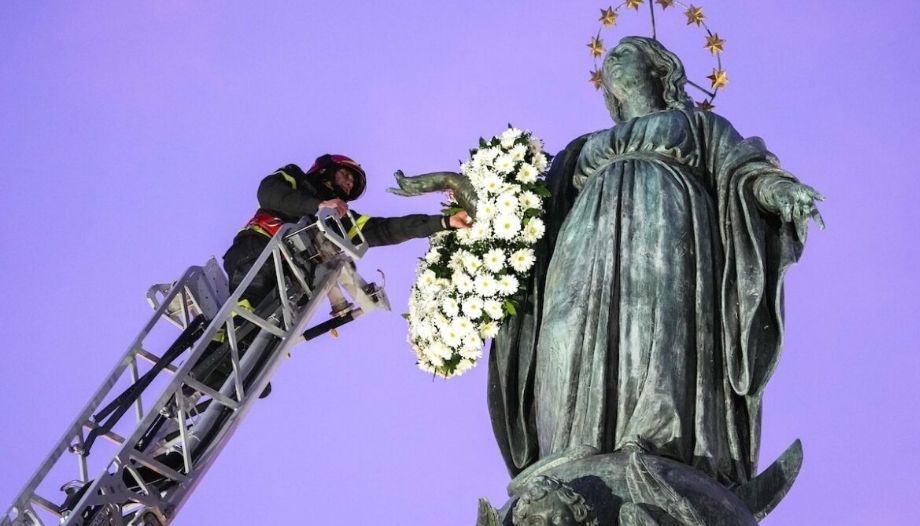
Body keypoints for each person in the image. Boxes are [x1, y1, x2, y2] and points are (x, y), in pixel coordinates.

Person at [487, 36, 823, 487]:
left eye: (626, 52)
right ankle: (567, 448)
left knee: (657, 325)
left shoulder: (698, 126)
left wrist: (780, 192)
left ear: (658, 70)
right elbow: (524, 218)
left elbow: (743, 169)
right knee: (563, 330)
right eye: (610, 55)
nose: (613, 59)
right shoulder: (581, 148)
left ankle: (653, 443)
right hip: (581, 241)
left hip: (667, 225)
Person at [224, 153, 471, 309]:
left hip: (291, 278)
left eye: (352, 184)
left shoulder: (339, 220)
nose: (349, 182)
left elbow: (386, 229)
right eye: (346, 175)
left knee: (275, 321)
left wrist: (443, 223)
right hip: (259, 247)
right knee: (251, 293)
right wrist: (316, 205)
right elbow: (269, 193)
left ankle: (235, 365)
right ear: (327, 169)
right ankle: (226, 334)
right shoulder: (295, 176)